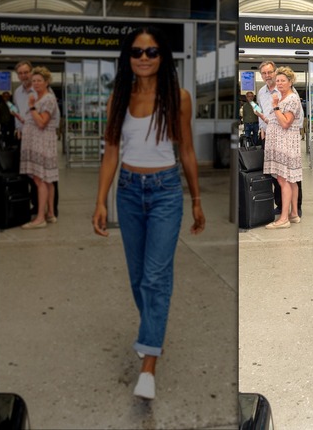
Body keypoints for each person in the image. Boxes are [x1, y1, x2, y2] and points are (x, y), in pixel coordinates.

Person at [92, 26, 206, 400]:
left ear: (163, 57)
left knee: (155, 277)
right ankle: (152, 331)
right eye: (137, 52)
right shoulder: (118, 99)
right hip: (127, 193)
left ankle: (149, 363)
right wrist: (100, 201)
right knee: (138, 277)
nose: (144, 58)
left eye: (152, 52)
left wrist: (196, 199)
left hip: (165, 194)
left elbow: (187, 151)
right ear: (128, 58)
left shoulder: (178, 98)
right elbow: (111, 152)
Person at [257, 60, 302, 216]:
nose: (268, 76)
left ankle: (290, 212)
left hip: (286, 140)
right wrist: (263, 126)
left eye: (270, 72)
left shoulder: (288, 95)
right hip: (271, 136)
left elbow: (287, 121)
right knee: (281, 178)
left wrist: (275, 107)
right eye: (264, 73)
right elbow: (269, 115)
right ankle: (288, 210)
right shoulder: (262, 92)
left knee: (288, 178)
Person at [19, 67, 59, 229]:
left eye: (39, 80)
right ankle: (50, 214)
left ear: (46, 82)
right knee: (48, 179)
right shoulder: (38, 98)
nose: (35, 83)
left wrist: (31, 107)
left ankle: (40, 218)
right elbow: (35, 120)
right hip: (35, 141)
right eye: (33, 80)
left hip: (41, 142)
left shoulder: (48, 99)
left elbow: (42, 122)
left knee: (39, 179)